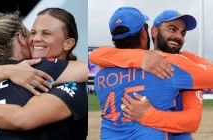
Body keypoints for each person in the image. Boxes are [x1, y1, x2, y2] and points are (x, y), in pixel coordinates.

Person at [89, 7, 213, 140]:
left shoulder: (101, 71)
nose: (179, 37)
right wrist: (187, 56)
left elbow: (96, 55)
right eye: (172, 29)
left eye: (183, 33)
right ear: (147, 32)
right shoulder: (171, 65)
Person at [0, 8, 87, 140]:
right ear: (21, 39)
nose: (36, 38)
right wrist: (13, 71)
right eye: (33, 32)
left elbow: (21, 118)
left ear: (68, 43)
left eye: (46, 33)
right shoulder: (27, 69)